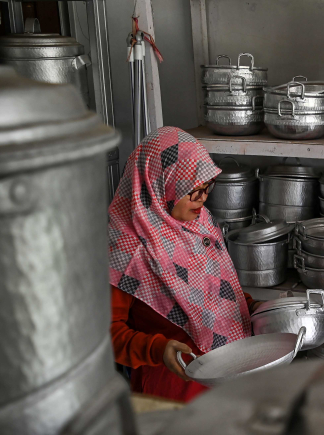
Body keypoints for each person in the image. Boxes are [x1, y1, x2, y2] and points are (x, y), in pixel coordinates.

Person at [108, 127, 258, 403]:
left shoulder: (201, 225)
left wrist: (252, 308)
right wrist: (158, 350)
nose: (202, 198)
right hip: (170, 385)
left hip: (225, 374)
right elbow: (107, 334)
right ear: (159, 183)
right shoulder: (127, 248)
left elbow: (218, 290)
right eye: (191, 190)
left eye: (206, 187)